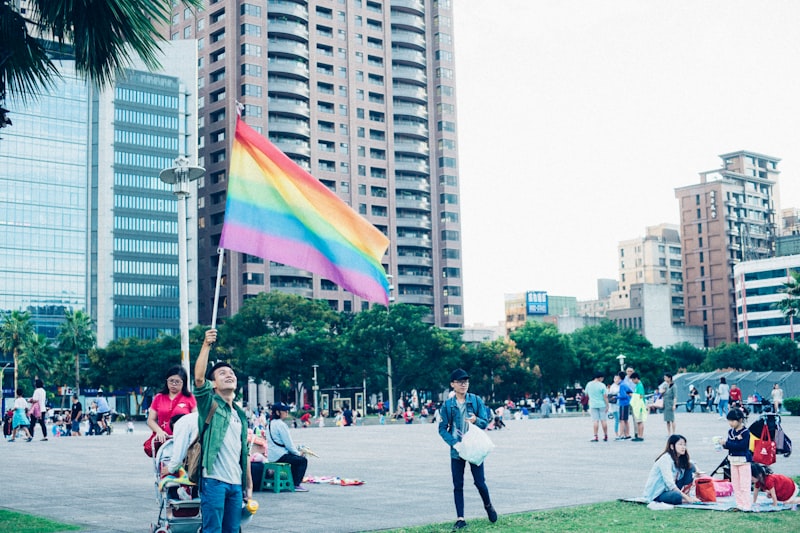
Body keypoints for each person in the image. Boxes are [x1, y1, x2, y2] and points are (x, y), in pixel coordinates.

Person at [194, 328, 253, 533]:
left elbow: (243, 452)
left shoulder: (240, 415)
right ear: (214, 383)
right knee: (213, 530)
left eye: (231, 373)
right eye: (222, 373)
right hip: (214, 482)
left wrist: (248, 484)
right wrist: (206, 345)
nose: (229, 375)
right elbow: (199, 380)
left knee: (233, 530)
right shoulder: (209, 404)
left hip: (235, 484)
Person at [437, 369, 497, 530]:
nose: (463, 384)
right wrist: (453, 443)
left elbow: (485, 422)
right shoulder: (448, 405)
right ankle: (460, 518)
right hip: (457, 450)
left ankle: (488, 505)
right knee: (458, 484)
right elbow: (442, 428)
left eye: (466, 382)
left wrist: (476, 419)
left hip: (474, 447)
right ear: (452, 384)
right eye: (460, 382)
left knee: (479, 482)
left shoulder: (476, 400)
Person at [146, 365, 197, 455]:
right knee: (164, 466)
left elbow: (196, 420)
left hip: (184, 441)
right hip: (163, 442)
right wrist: (159, 431)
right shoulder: (159, 397)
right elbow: (151, 420)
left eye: (177, 382)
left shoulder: (190, 398)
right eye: (171, 381)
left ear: (183, 383)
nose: (174, 384)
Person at [642, 434, 699, 505]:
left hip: (671, 489)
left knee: (691, 467)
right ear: (672, 446)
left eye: (684, 445)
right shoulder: (665, 459)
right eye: (680, 444)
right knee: (676, 496)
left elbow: (692, 463)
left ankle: (686, 496)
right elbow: (670, 484)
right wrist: (687, 498)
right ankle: (685, 499)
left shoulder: (679, 458)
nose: (683, 447)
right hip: (658, 493)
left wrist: (697, 470)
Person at [266, 402, 309, 492]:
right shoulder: (281, 425)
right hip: (280, 456)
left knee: (294, 459)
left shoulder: (270, 424)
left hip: (272, 456)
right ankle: (296, 484)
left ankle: (291, 481)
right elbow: (289, 445)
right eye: (284, 411)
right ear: (278, 412)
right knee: (302, 460)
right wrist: (298, 453)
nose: (287, 412)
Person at [721, 408, 751, 511]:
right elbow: (731, 445)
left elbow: (742, 446)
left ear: (740, 420)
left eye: (732, 421)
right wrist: (723, 445)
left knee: (744, 484)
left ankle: (747, 505)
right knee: (736, 484)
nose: (730, 423)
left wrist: (727, 444)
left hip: (743, 461)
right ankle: (739, 504)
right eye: (729, 420)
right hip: (733, 460)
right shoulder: (730, 432)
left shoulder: (746, 432)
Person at [585, 371, 608, 442]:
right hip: (602, 404)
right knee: (603, 420)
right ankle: (605, 435)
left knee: (595, 421)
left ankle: (595, 436)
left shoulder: (589, 384)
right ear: (600, 378)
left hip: (593, 404)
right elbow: (605, 397)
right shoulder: (602, 385)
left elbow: (586, 394)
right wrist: (607, 405)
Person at [630, 372, 647, 442]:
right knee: (638, 422)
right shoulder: (637, 385)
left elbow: (641, 396)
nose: (633, 382)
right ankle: (639, 435)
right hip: (637, 405)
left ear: (636, 378)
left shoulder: (639, 386)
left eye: (633, 380)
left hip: (640, 405)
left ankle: (640, 435)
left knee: (640, 421)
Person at [616, 371, 633, 440]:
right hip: (627, 403)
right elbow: (630, 391)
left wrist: (616, 397)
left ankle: (621, 434)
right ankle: (627, 434)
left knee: (622, 419)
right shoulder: (625, 384)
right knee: (626, 419)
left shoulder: (622, 385)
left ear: (619, 377)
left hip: (623, 403)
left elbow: (623, 396)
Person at [607, 374, 620, 439]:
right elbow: (612, 393)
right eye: (616, 379)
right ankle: (616, 433)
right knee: (617, 420)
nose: (617, 380)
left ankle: (621, 433)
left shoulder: (620, 385)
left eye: (618, 378)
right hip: (614, 406)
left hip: (620, 404)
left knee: (622, 420)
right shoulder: (613, 386)